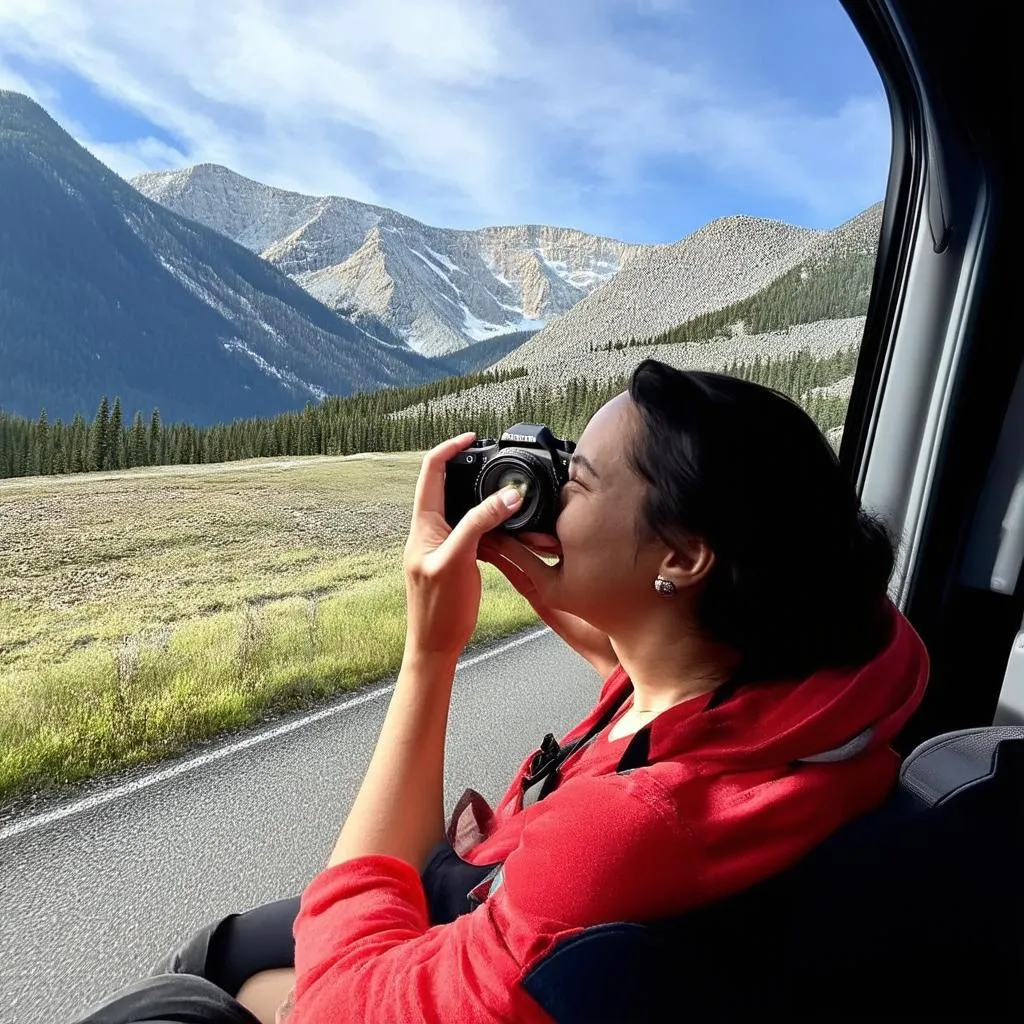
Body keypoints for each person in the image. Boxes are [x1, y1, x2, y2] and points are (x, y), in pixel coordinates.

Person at [74, 358, 929, 1024]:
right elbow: (668, 712)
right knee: (236, 948)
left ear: (682, 557)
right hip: (523, 923)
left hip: (471, 926)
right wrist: (599, 616)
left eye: (579, 479)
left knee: (199, 979)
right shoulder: (820, 693)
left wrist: (430, 653)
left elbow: (338, 1008)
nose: (545, 499)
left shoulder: (630, 831)